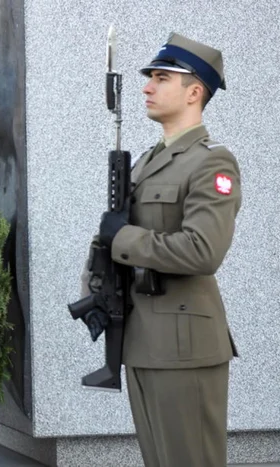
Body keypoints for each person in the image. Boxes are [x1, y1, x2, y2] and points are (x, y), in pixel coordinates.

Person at [83, 33, 241, 467]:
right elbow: (114, 236)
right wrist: (97, 285)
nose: (147, 87)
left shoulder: (212, 161)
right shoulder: (148, 161)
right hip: (144, 339)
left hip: (184, 346)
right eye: (150, 77)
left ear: (194, 92)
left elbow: (202, 251)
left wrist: (123, 239)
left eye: (161, 77)